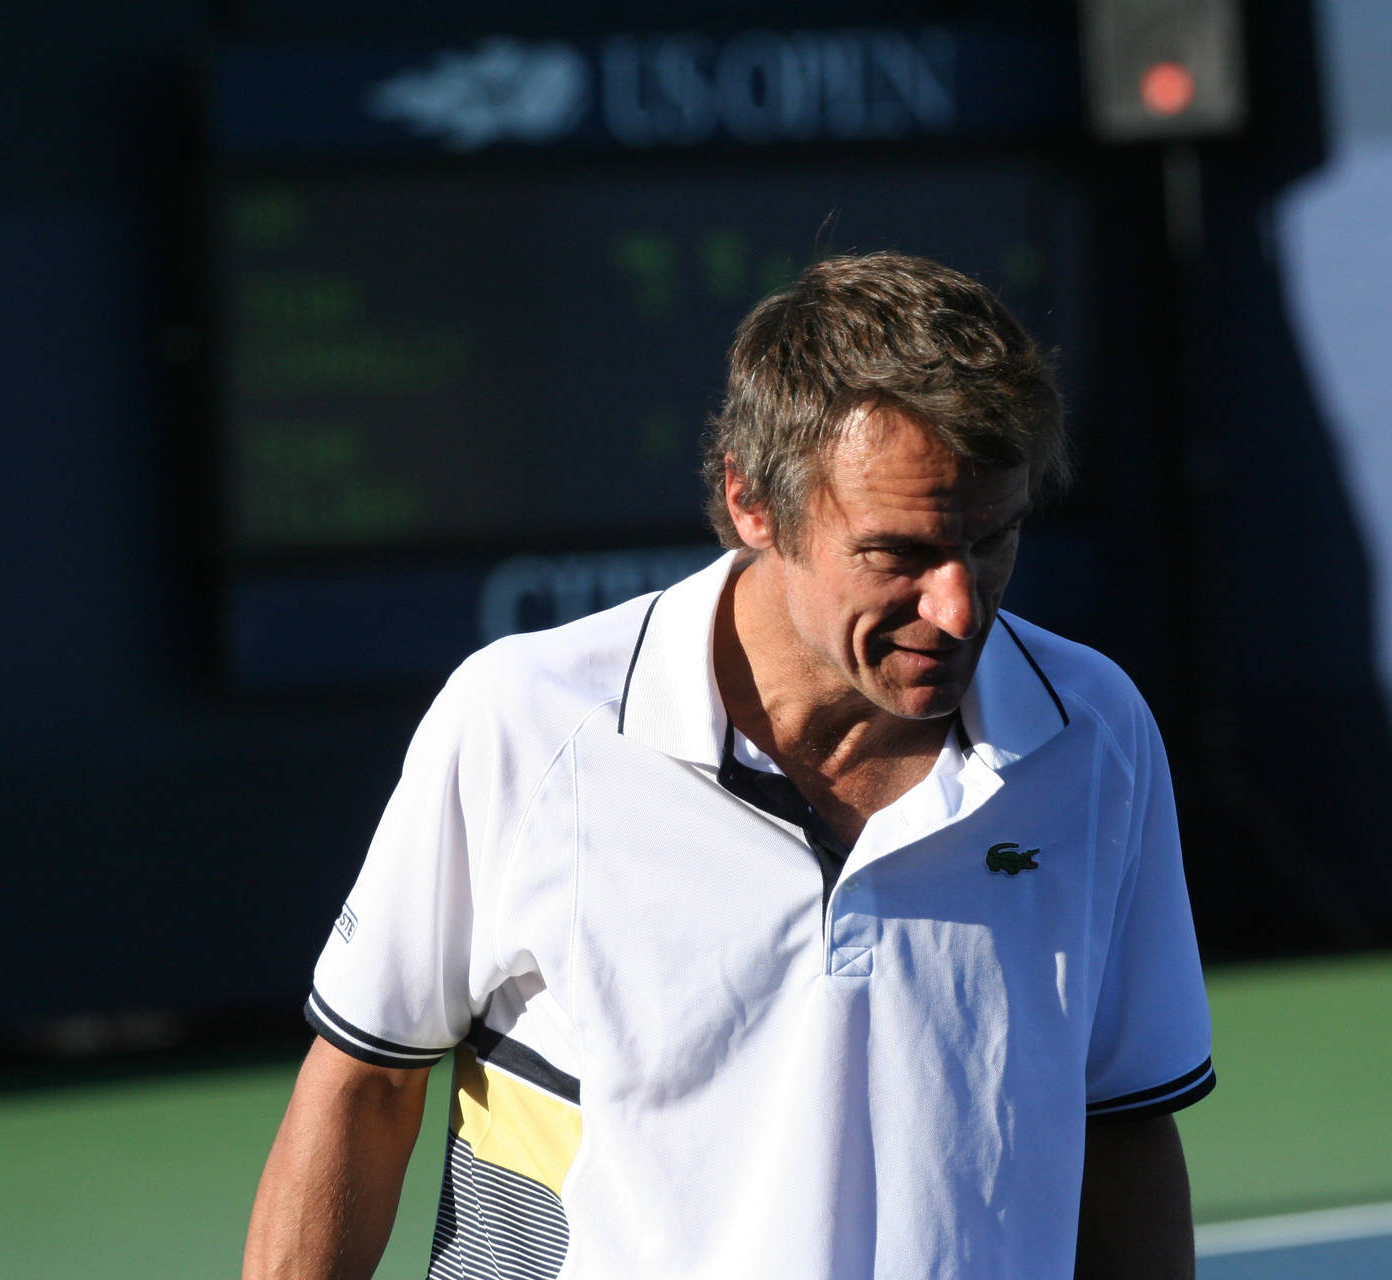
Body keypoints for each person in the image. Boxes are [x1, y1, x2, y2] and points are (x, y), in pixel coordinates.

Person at [243, 252, 1214, 1280]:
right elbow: (364, 1086)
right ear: (753, 503)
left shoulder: (1095, 732)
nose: (959, 606)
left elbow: (1125, 1129)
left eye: (994, 539)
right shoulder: (526, 721)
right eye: (899, 554)